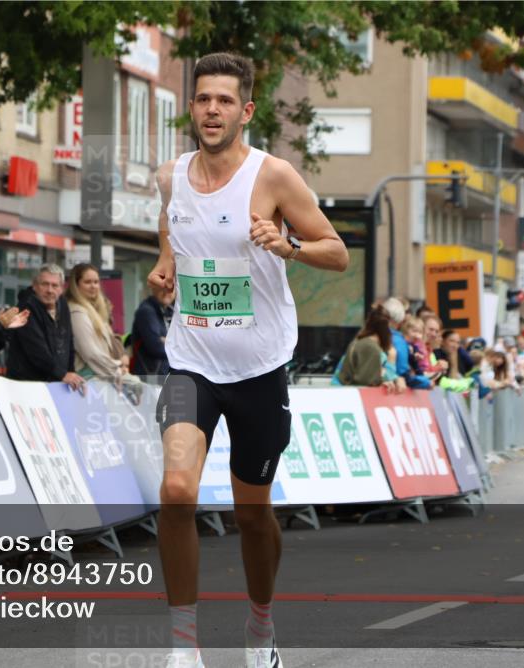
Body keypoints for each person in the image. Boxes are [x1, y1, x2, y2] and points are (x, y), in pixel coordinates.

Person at [146, 52, 349, 668]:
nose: (212, 110)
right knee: (177, 491)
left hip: (259, 367)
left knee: (251, 514)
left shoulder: (275, 176)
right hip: (189, 360)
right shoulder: (168, 175)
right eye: (204, 98)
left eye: (225, 101)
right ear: (192, 107)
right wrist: (166, 263)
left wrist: (286, 246)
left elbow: (336, 252)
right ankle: (184, 646)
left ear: (246, 110)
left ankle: (260, 625)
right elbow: (172, 224)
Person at [6, 264, 86, 392]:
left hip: (56, 385)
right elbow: (36, 351)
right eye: (45, 284)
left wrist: (70, 372)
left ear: (61, 288)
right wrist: (62, 374)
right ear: (35, 286)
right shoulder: (26, 307)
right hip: (27, 386)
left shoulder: (63, 304)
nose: (50, 290)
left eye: (55, 285)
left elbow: (68, 343)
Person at [66, 263, 142, 387]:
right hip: (88, 377)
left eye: (96, 282)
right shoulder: (77, 312)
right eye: (88, 282)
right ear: (76, 285)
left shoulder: (96, 311)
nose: (93, 286)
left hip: (101, 374)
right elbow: (90, 353)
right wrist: (116, 370)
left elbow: (109, 345)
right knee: (135, 384)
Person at [130, 283, 176, 377]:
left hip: (163, 377)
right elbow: (156, 346)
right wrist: (176, 345)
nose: (167, 291)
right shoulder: (147, 311)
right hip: (148, 379)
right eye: (163, 287)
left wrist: (166, 340)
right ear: (153, 288)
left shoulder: (168, 311)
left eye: (171, 288)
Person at [385, 296, 430, 390]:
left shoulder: (368, 335)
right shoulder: (399, 341)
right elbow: (403, 373)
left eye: (420, 332)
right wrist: (426, 382)